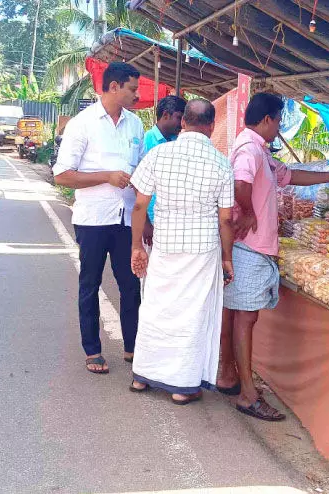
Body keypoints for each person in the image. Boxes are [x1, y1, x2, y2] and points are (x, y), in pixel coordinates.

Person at [216, 92, 329, 421]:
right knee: (245, 318)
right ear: (267, 120)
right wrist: (247, 212)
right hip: (250, 247)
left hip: (251, 247)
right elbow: (240, 184)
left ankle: (228, 375)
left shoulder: (258, 150)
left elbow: (288, 176)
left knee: (236, 314)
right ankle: (248, 394)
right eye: (277, 122)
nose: (278, 129)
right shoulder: (249, 149)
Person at [127, 99, 235, 405]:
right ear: (212, 126)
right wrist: (227, 258)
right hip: (202, 251)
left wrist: (137, 246)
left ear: (183, 122)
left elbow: (138, 203)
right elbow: (225, 218)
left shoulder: (159, 153)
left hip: (164, 243)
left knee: (155, 308)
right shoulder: (220, 163)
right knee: (191, 315)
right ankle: (181, 386)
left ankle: (141, 376)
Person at [53, 62, 145, 374]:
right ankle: (93, 350)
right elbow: (62, 176)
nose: (137, 94)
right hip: (92, 220)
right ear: (114, 86)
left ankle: (133, 348)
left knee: (131, 285)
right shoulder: (83, 123)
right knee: (90, 284)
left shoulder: (135, 126)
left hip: (125, 220)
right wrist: (107, 176)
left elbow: (142, 169)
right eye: (132, 88)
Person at [142, 95, 186, 245]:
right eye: (179, 118)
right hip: (151, 220)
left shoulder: (179, 144)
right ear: (165, 115)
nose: (182, 124)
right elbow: (136, 187)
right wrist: (145, 223)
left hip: (173, 221)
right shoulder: (145, 142)